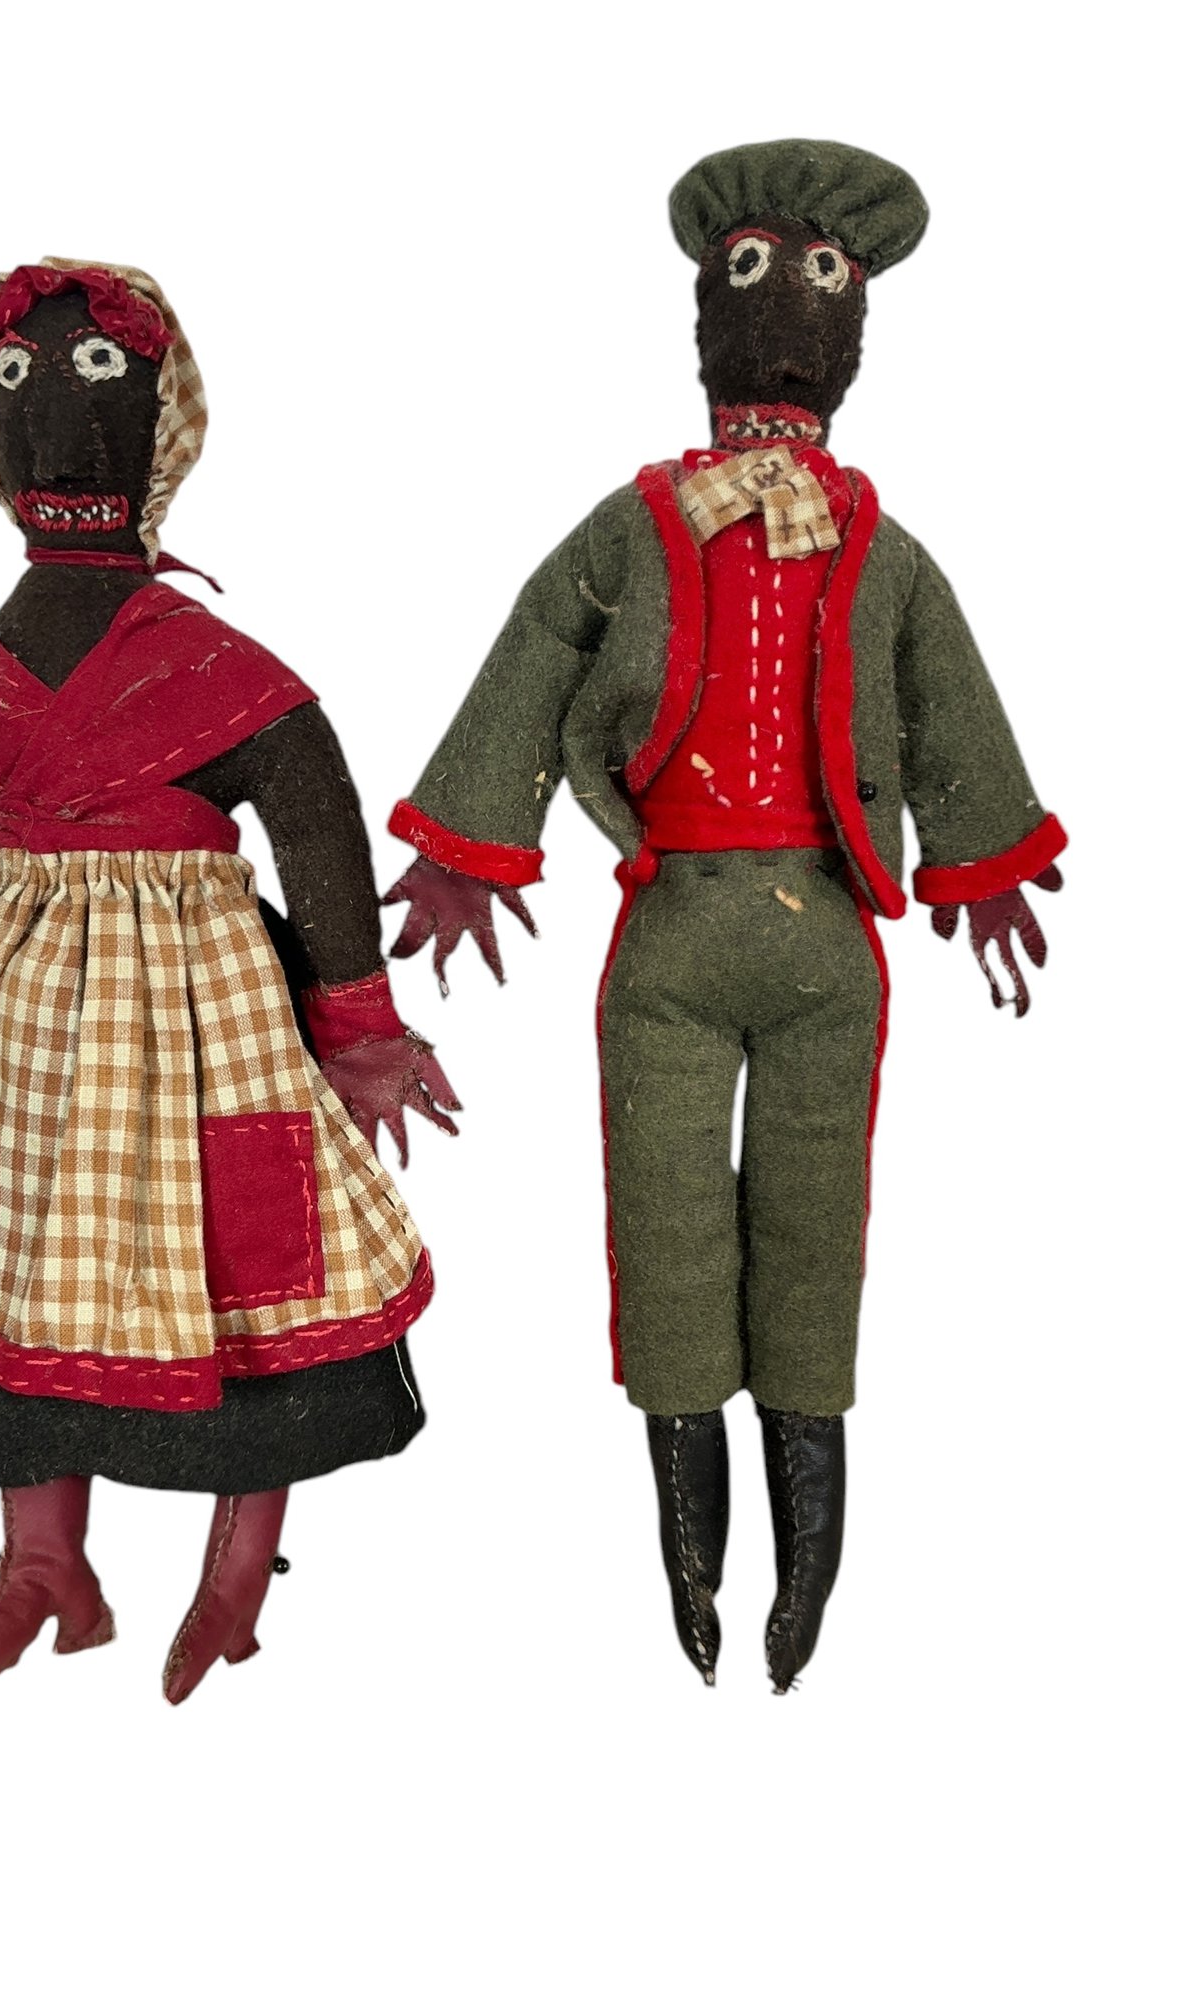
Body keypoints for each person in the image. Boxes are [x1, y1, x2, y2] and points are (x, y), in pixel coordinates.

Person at [384, 143, 1065, 1691]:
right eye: (756, 276)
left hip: (829, 927)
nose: (786, 314)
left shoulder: (883, 550)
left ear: (852, 325)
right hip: (672, 925)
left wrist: (983, 857)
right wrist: (470, 845)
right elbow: (537, 654)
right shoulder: (636, 526)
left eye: (820, 283)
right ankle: (694, 1564)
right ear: (708, 311)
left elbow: (946, 693)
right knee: (668, 1227)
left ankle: (802, 1571)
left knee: (816, 1235)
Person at [0, 258, 458, 1701]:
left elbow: (317, 829)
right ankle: (44, 1562)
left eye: (98, 381)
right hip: (20, 1038)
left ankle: (235, 1576)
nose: (57, 420)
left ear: (160, 422)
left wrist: (357, 1023)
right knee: (12, 1254)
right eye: (25, 384)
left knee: (244, 1268)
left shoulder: (213, 670)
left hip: (208, 1026)